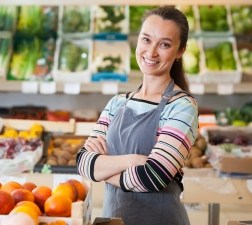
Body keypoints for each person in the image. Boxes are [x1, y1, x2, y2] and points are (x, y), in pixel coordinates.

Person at [76, 6, 199, 225]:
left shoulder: (181, 107)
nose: (151, 52)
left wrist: (102, 169)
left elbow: (152, 177)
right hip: (113, 220)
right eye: (146, 40)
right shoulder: (117, 103)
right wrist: (133, 161)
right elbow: (83, 163)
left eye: (164, 44)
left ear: (180, 51)